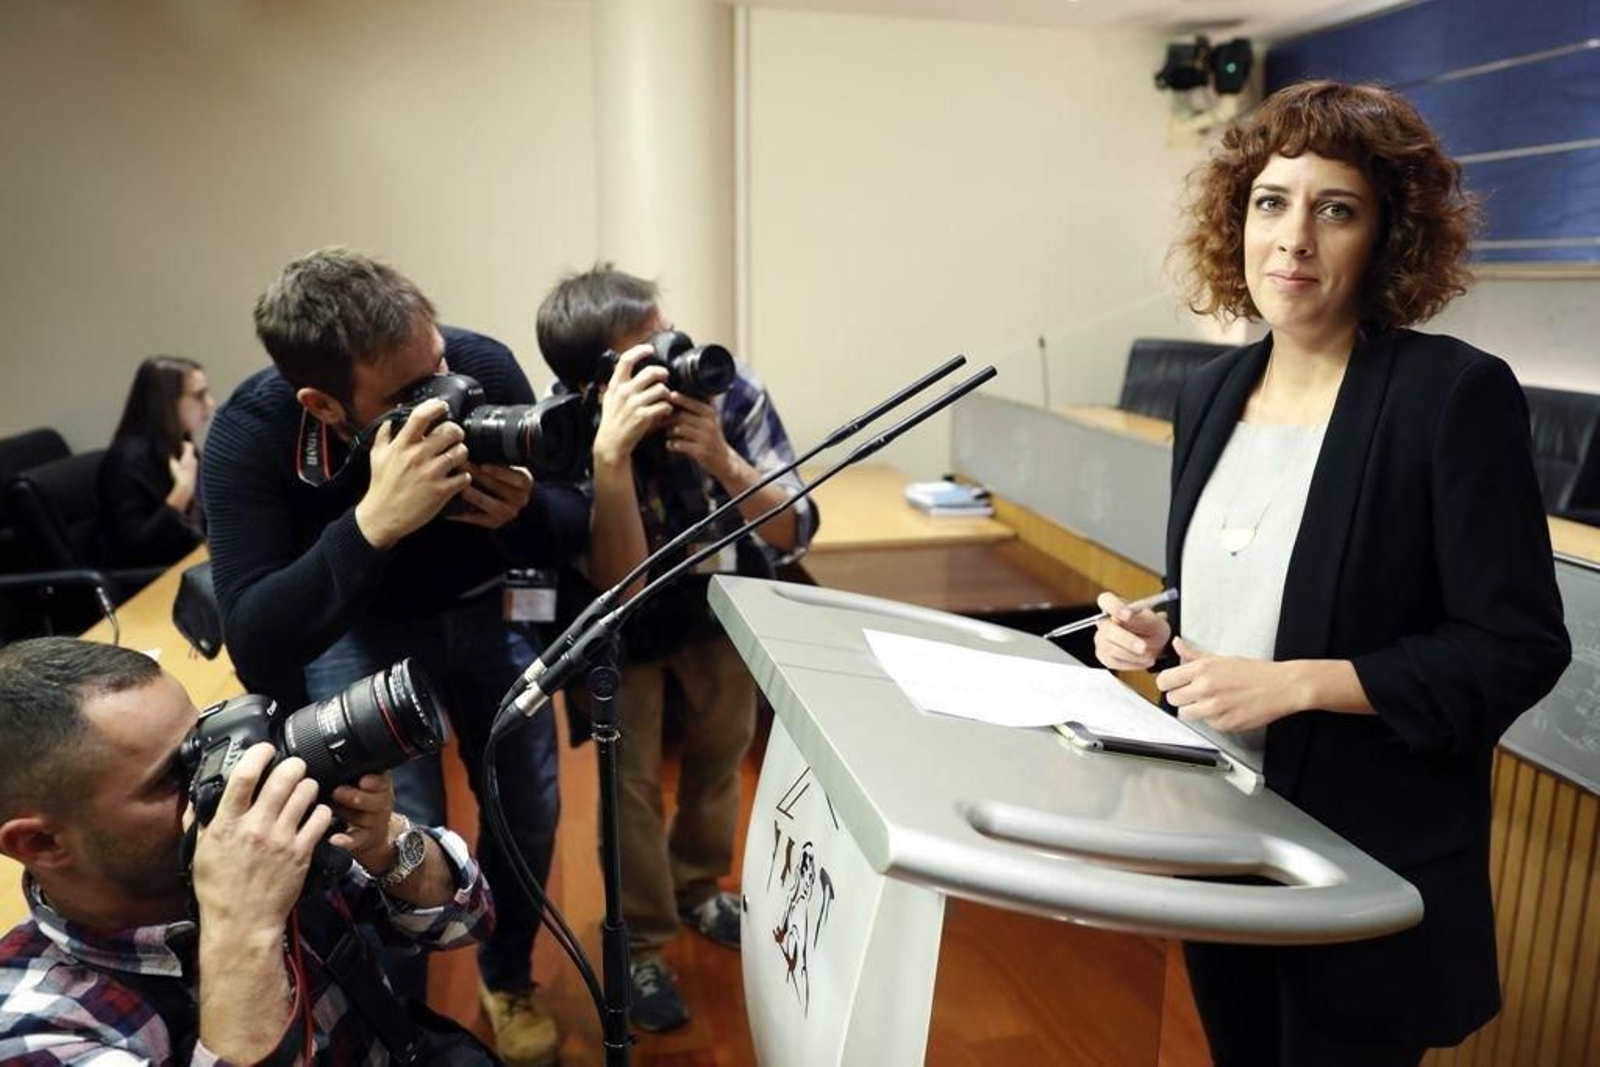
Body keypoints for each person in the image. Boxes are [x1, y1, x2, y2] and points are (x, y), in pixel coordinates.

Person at [1092, 81, 1571, 1065]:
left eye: (1335, 208)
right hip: (1217, 834)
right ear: (1236, 221)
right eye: (1270, 202)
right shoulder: (1209, 390)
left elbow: (1515, 646)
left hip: (1357, 856)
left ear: (1387, 238)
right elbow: (1250, 577)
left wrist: (1301, 680)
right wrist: (1158, 639)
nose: (1293, 238)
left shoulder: (1451, 396)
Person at [202, 248, 589, 1066]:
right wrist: (374, 521)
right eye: (409, 394)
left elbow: (569, 526)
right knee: (388, 834)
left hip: (487, 611)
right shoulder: (254, 431)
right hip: (360, 635)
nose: (444, 397)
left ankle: (508, 974)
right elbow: (255, 642)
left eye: (437, 364)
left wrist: (519, 513)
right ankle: (393, 1019)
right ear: (323, 401)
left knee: (528, 807)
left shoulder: (480, 363)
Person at [535, 266, 818, 1032]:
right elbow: (619, 587)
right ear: (598, 378)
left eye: (669, 334)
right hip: (626, 626)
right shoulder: (563, 433)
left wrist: (724, 460)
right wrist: (612, 460)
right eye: (646, 353)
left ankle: (700, 888)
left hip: (720, 606)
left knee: (721, 756)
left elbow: (797, 529)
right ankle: (642, 941)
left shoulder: (726, 392)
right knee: (628, 785)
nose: (673, 357)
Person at [0, 637, 495, 1064]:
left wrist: (384, 842)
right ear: (41, 842)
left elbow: (467, 920)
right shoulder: (37, 1029)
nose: (233, 776)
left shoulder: (255, 840)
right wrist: (243, 925)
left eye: (203, 739)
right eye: (174, 774)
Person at [97, 356, 214, 568]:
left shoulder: (181, 444)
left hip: (190, 561)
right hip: (147, 578)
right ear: (166, 402)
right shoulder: (124, 462)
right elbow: (137, 548)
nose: (210, 403)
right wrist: (182, 491)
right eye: (199, 396)